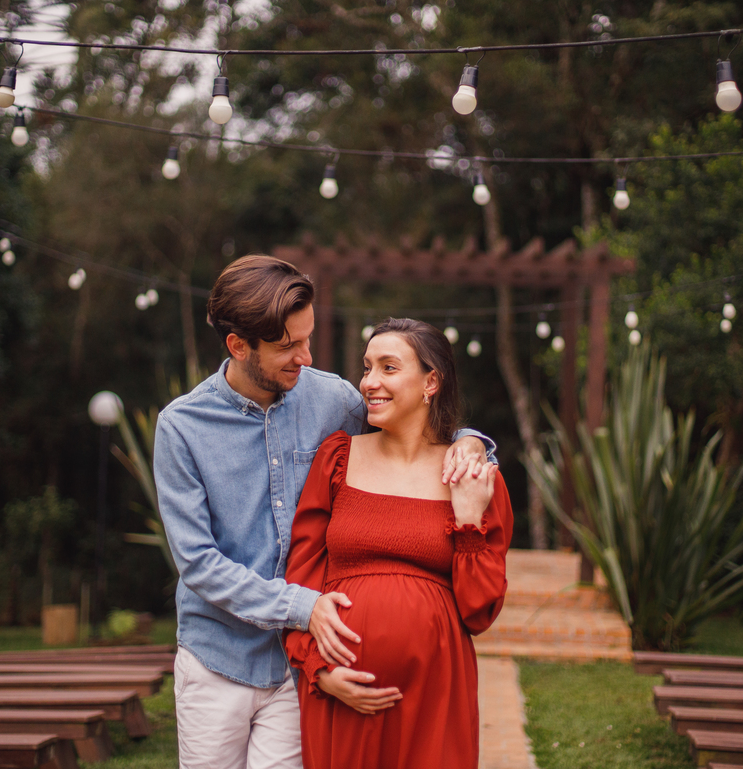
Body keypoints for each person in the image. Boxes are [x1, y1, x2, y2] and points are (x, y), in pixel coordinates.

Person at [153, 256, 496, 769]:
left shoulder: (334, 399)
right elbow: (199, 563)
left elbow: (413, 427)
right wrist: (301, 607)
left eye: (307, 338)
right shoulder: (182, 428)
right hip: (218, 658)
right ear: (239, 346)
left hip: (300, 669)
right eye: (288, 346)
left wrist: (471, 442)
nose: (305, 357)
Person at [284, 317, 512, 769]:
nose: (369, 383)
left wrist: (467, 521)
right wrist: (318, 670)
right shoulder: (337, 458)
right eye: (367, 368)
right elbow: (301, 576)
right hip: (341, 689)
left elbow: (479, 609)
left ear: (431, 381)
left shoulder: (473, 478)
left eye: (388, 368)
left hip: (434, 691)